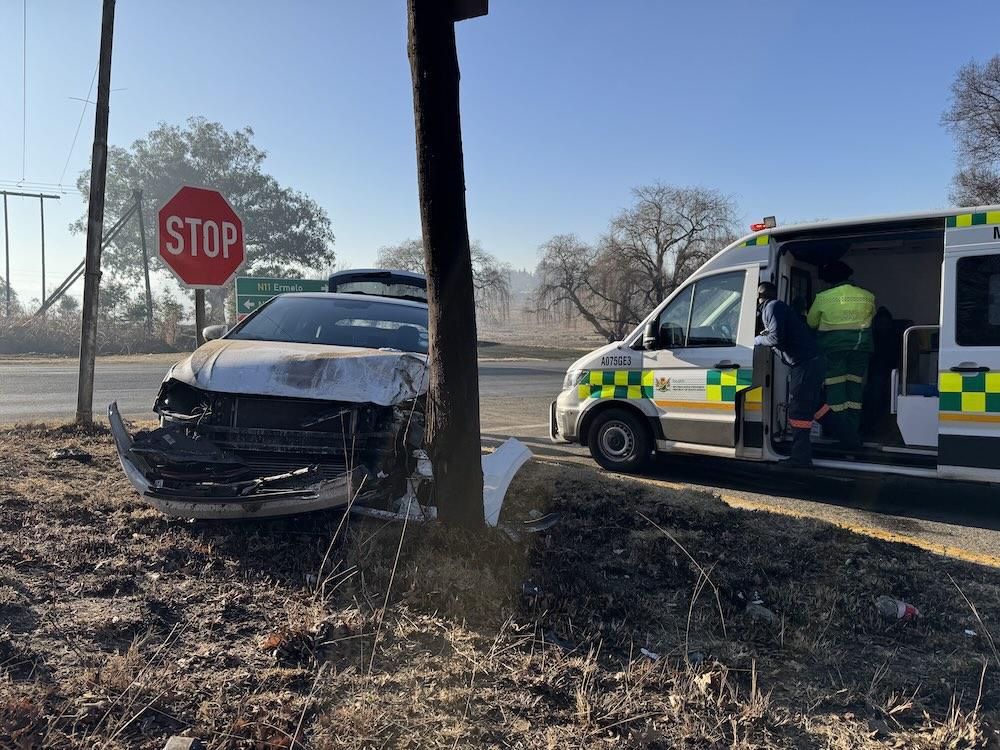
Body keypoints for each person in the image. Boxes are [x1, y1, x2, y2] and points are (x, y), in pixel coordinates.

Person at [754, 282, 860, 466]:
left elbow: (776, 338)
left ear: (759, 297)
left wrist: (756, 339)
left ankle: (801, 457)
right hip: (812, 362)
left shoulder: (771, 307)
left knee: (799, 409)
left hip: (805, 365)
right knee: (819, 409)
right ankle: (852, 441)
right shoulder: (777, 308)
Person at [806, 261, 876, 431]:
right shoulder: (868, 296)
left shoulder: (823, 297)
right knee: (854, 387)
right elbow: (871, 316)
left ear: (829, 280)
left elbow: (811, 322)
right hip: (861, 349)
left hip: (833, 350)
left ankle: (842, 432)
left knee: (836, 389)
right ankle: (853, 427)